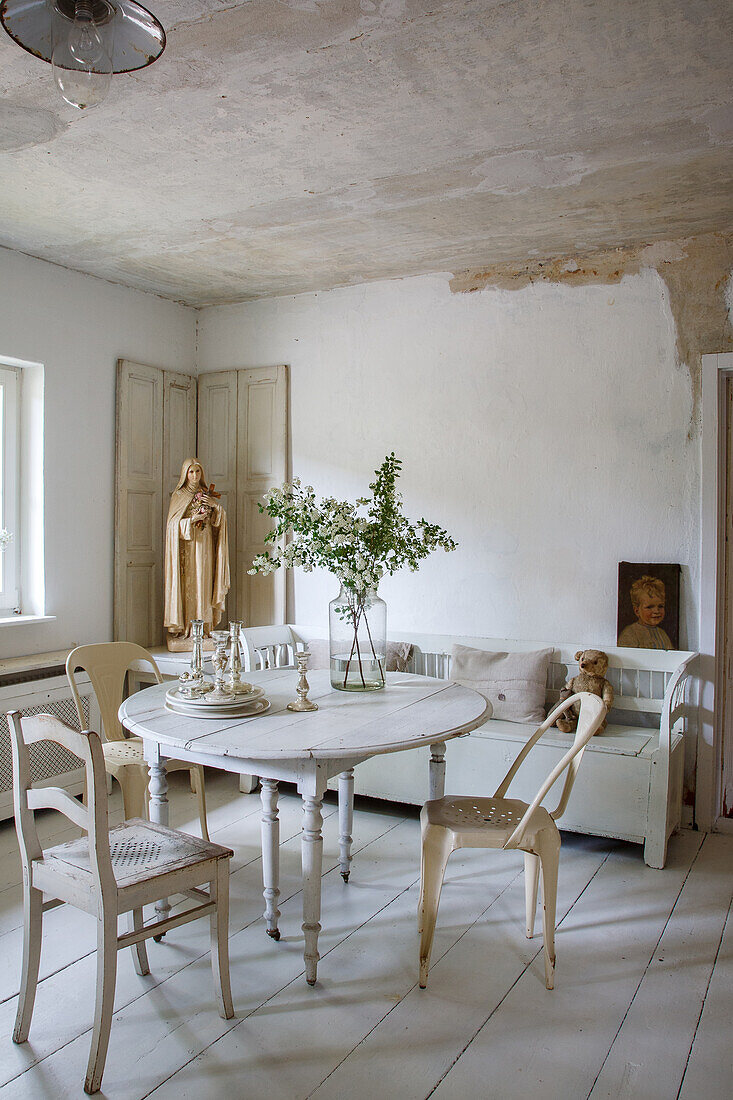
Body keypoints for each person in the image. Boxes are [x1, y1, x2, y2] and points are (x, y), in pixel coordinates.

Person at [164, 457, 230, 649]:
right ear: (185, 474)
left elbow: (219, 522)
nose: (194, 475)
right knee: (189, 586)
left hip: (205, 545)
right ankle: (189, 628)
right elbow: (171, 526)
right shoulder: (179, 495)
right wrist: (192, 520)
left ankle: (205, 627)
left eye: (197, 472)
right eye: (191, 472)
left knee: (204, 582)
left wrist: (216, 508)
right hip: (187, 548)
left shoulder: (206, 493)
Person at [618, 575, 673, 650]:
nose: (656, 611)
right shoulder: (630, 634)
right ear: (637, 611)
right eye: (649, 607)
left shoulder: (662, 634)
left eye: (660, 606)